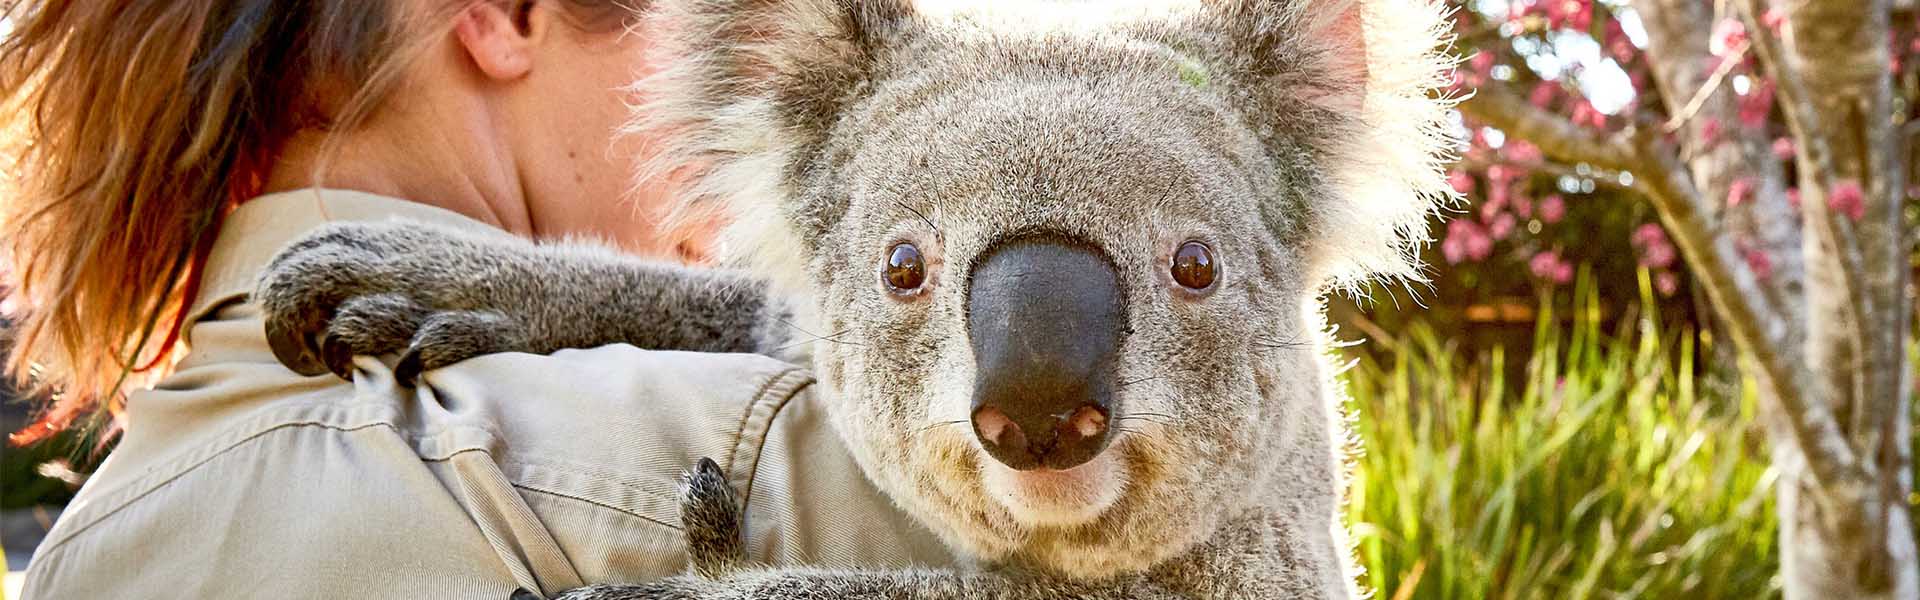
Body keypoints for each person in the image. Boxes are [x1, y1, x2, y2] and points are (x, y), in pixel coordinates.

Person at [0, 1, 953, 597]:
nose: (756, 149)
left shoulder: (87, 557)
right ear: (504, 16)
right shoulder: (764, 446)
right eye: (726, 58)